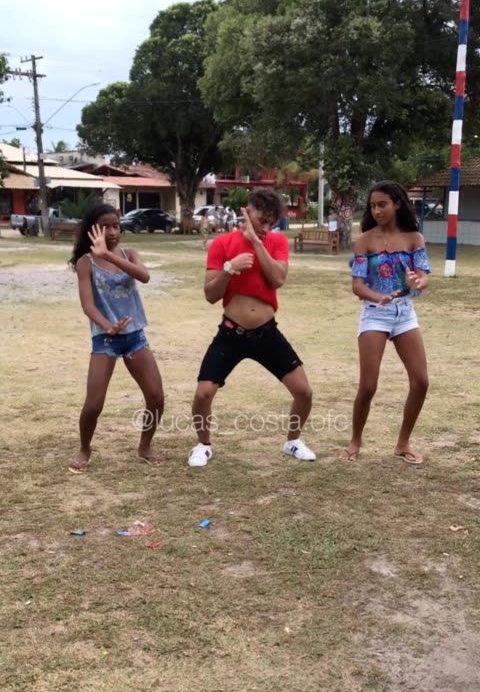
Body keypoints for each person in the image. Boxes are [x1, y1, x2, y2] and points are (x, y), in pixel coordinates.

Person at [188, 187, 316, 467]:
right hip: (231, 333)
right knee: (203, 394)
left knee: (304, 392)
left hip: (267, 332)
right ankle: (203, 445)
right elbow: (210, 295)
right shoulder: (222, 244)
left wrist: (257, 243)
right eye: (261, 220)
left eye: (271, 223)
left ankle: (293, 442)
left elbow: (278, 279)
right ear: (247, 212)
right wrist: (229, 268)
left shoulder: (276, 242)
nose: (266, 228)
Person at [68, 204, 164, 473]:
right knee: (93, 404)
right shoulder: (85, 263)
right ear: (93, 230)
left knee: (156, 397)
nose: (112, 232)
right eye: (105, 227)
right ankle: (85, 448)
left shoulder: (129, 254)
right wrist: (107, 326)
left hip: (135, 337)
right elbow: (88, 305)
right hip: (106, 339)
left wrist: (109, 255)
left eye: (116, 226)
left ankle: (145, 446)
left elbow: (144, 276)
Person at [339, 181, 430, 466]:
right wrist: (378, 297)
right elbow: (357, 285)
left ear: (397, 204)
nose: (377, 211)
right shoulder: (365, 240)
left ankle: (403, 444)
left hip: (405, 313)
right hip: (375, 313)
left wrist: (417, 282)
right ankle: (355, 441)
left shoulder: (414, 238)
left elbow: (423, 278)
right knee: (368, 386)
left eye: (382, 205)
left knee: (421, 381)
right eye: (373, 206)